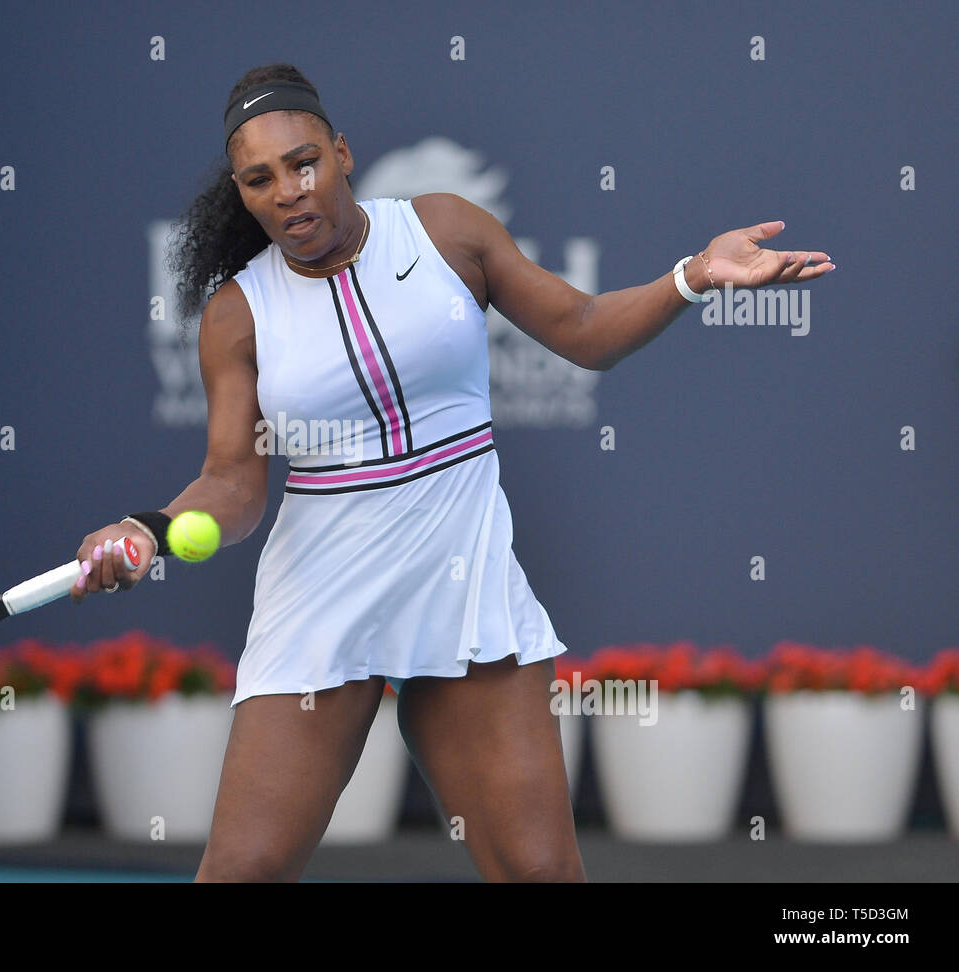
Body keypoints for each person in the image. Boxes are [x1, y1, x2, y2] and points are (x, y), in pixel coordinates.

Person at [69, 63, 833, 882]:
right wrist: (147, 530)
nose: (290, 190)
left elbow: (582, 329)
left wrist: (695, 276)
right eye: (262, 179)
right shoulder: (236, 314)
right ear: (243, 192)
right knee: (243, 873)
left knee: (540, 873)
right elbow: (232, 484)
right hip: (321, 599)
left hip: (459, 582)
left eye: (304, 164)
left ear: (342, 154)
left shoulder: (445, 231)